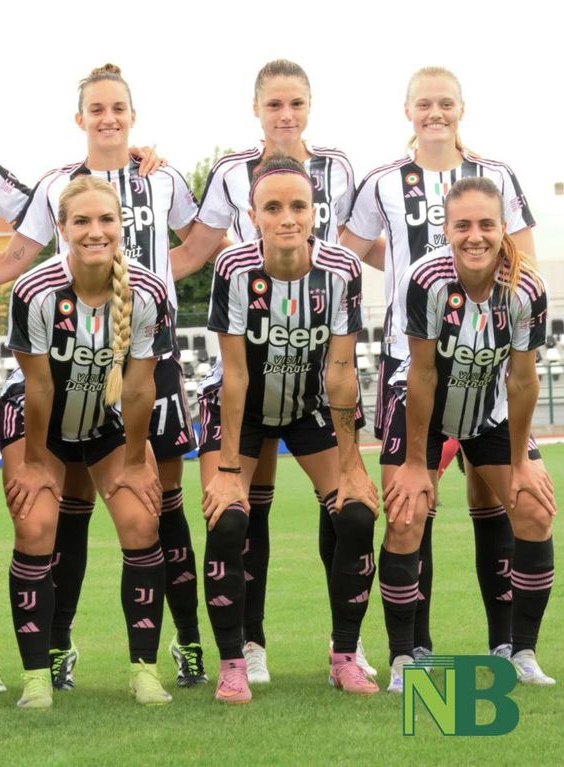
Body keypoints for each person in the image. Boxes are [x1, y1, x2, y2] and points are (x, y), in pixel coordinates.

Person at [0, 63, 207, 690]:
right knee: (58, 517)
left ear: (133, 116)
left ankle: (178, 648)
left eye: (118, 108)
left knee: (158, 509)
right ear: (80, 118)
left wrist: (157, 271)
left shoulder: (160, 181)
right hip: (57, 390)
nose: (108, 118)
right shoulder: (52, 200)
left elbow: (202, 242)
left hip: (133, 372)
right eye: (97, 108)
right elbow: (18, 263)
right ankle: (50, 655)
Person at [179, 59, 377, 683]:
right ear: (254, 212)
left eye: (298, 206)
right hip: (243, 406)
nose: (287, 217)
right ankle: (241, 654)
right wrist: (227, 469)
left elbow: (340, 371)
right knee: (233, 515)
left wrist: (352, 462)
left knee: (355, 512)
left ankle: (345, 652)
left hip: (309, 402)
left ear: (317, 209)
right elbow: (235, 375)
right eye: (273, 207)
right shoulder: (235, 266)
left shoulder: (341, 268)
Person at [341, 66, 536, 670]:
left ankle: (510, 645)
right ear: (408, 110)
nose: (435, 113)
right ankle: (412, 651)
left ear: (461, 109)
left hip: (486, 365)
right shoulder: (382, 181)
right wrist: (410, 271)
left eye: (445, 103)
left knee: (499, 500)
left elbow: (523, 261)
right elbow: (349, 251)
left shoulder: (495, 174)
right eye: (424, 103)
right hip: (412, 362)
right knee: (411, 503)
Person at [2, 174, 175, 707]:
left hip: (102, 420)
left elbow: (140, 386)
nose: (95, 231)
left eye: (106, 220)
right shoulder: (34, 291)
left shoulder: (147, 291)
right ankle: (37, 675)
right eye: (82, 221)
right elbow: (38, 387)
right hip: (38, 426)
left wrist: (135, 462)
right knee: (36, 526)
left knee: (142, 520)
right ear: (62, 229)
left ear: (121, 226)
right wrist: (34, 463)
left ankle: (144, 670)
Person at [382, 177, 555, 690]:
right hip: (423, 409)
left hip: (490, 412)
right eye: (463, 225)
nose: (474, 236)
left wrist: (521, 464)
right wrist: (417, 464)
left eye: (486, 224)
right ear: (446, 229)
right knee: (407, 514)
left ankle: (519, 650)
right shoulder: (426, 280)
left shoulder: (526, 288)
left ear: (503, 228)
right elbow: (422, 374)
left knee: (535, 509)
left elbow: (522, 379)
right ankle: (405, 655)